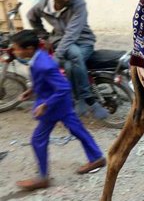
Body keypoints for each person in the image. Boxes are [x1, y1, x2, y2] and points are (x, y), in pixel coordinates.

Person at [12, 30, 106, 191]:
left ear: (28, 48)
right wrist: (31, 91)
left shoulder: (44, 64)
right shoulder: (37, 58)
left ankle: (43, 177)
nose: (15, 52)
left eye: (16, 49)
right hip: (59, 104)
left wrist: (45, 105)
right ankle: (97, 157)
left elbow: (63, 87)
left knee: (38, 139)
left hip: (53, 107)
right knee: (78, 130)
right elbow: (43, 81)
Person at [26, 0, 108, 120]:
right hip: (59, 41)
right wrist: (44, 36)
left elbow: (72, 34)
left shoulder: (78, 3)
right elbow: (31, 16)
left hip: (84, 41)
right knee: (73, 56)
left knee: (72, 59)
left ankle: (82, 98)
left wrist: (56, 57)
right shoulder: (44, 5)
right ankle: (86, 99)